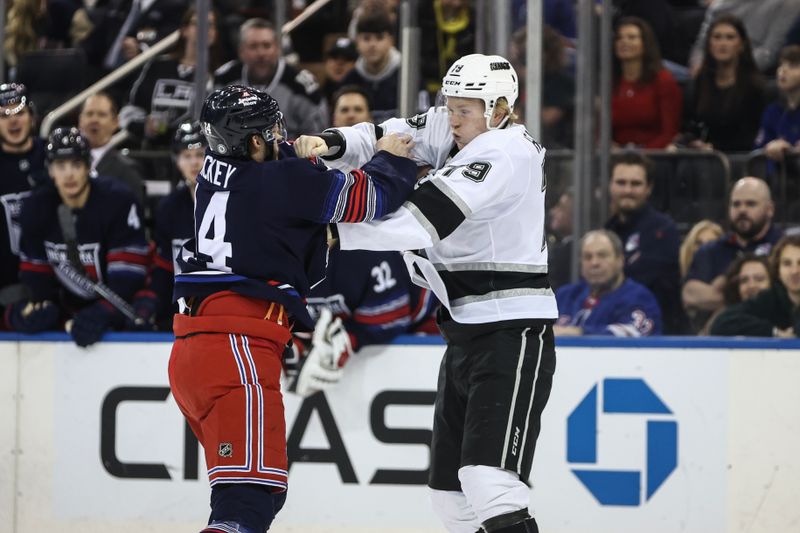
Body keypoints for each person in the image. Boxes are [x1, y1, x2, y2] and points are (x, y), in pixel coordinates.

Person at [296, 53, 555, 533]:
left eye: (465, 109)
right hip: (464, 330)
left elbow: (419, 223)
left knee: (489, 482)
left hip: (511, 330)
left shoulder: (505, 153)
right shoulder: (455, 125)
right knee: (449, 498)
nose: (453, 118)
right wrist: (329, 144)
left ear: (500, 109)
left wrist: (332, 233)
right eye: (450, 105)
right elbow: (385, 135)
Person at [168, 84, 417, 533]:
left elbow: (278, 191)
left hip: (195, 349)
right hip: (237, 348)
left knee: (256, 493)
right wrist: (391, 156)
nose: (283, 136)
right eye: (272, 131)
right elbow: (372, 197)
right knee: (248, 502)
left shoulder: (213, 169)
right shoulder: (283, 181)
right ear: (256, 142)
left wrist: (308, 161)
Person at [5, 127, 149, 346]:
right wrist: (38, 308)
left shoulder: (117, 201)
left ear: (88, 166)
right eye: (60, 166)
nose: (69, 174)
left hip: (120, 308)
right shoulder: (36, 207)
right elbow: (36, 276)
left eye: (76, 164)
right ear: (50, 171)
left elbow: (129, 278)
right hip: (70, 312)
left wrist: (104, 313)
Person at [682, 177, 782, 328]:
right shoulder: (711, 250)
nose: (742, 210)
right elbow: (690, 295)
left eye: (750, 204)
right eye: (736, 204)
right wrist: (747, 295)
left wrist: (721, 291)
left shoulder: (782, 248)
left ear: (770, 210)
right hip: (718, 342)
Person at [119, 6, 222, 148]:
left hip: (195, 154)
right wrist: (145, 125)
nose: (203, 29)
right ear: (184, 30)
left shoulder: (220, 74)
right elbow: (131, 108)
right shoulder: (158, 66)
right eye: (197, 23)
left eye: (210, 25)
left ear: (215, 34)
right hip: (154, 151)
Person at [604, 152, 684, 333]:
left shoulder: (663, 230)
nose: (627, 190)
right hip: (617, 324)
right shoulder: (608, 230)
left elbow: (645, 279)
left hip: (660, 334)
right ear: (610, 185)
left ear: (649, 188)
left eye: (636, 184)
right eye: (621, 183)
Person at [213, 18, 328, 138]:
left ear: (277, 48)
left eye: (266, 45)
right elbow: (212, 128)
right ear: (241, 51)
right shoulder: (224, 80)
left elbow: (317, 136)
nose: (261, 53)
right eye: (253, 46)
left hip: (288, 153)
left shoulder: (302, 86)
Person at [675, 14, 767, 152]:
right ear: (709, 44)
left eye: (730, 37)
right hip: (704, 155)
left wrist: (715, 148)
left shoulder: (754, 86)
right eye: (717, 37)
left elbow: (752, 135)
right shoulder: (701, 81)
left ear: (741, 45)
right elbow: (692, 124)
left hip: (738, 157)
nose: (723, 43)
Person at [147, 122, 206, 330]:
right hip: (182, 312)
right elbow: (164, 267)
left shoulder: (231, 202)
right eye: (187, 156)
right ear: (177, 161)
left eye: (200, 154)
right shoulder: (168, 207)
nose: (194, 163)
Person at [555, 230, 662, 337]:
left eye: (602, 255)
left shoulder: (639, 298)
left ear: (620, 260)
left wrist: (579, 333)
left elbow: (632, 333)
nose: (594, 263)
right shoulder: (564, 296)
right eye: (588, 257)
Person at [0, 83, 47, 307]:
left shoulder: (55, 158)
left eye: (19, 112)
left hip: (53, 282)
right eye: (3, 115)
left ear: (32, 117)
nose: (13, 120)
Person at [611, 17, 682, 149]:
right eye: (619, 38)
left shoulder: (663, 80)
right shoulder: (610, 82)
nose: (624, 42)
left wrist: (642, 155)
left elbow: (669, 132)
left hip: (654, 153)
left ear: (645, 43)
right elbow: (600, 130)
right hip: (615, 154)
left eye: (631, 37)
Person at [710, 234, 800, 337]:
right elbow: (722, 323)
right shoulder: (769, 298)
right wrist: (774, 332)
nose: (794, 271)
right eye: (787, 263)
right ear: (778, 269)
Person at [78, 92, 146, 204]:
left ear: (115, 122)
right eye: (89, 114)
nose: (94, 120)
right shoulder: (64, 163)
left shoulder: (128, 170)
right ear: (80, 121)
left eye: (102, 115)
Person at [339, 9, 402, 123]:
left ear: (391, 41)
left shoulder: (408, 77)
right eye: (366, 38)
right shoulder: (349, 80)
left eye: (379, 38)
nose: (372, 44)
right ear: (357, 42)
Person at [755, 45, 800, 160]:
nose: (782, 71)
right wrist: (770, 147)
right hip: (777, 175)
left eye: (793, 66)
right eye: (781, 65)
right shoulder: (773, 111)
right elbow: (758, 150)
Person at [321, 37, 358, 105]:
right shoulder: (316, 96)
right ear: (326, 63)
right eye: (334, 57)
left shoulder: (364, 96)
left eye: (347, 59)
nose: (339, 63)